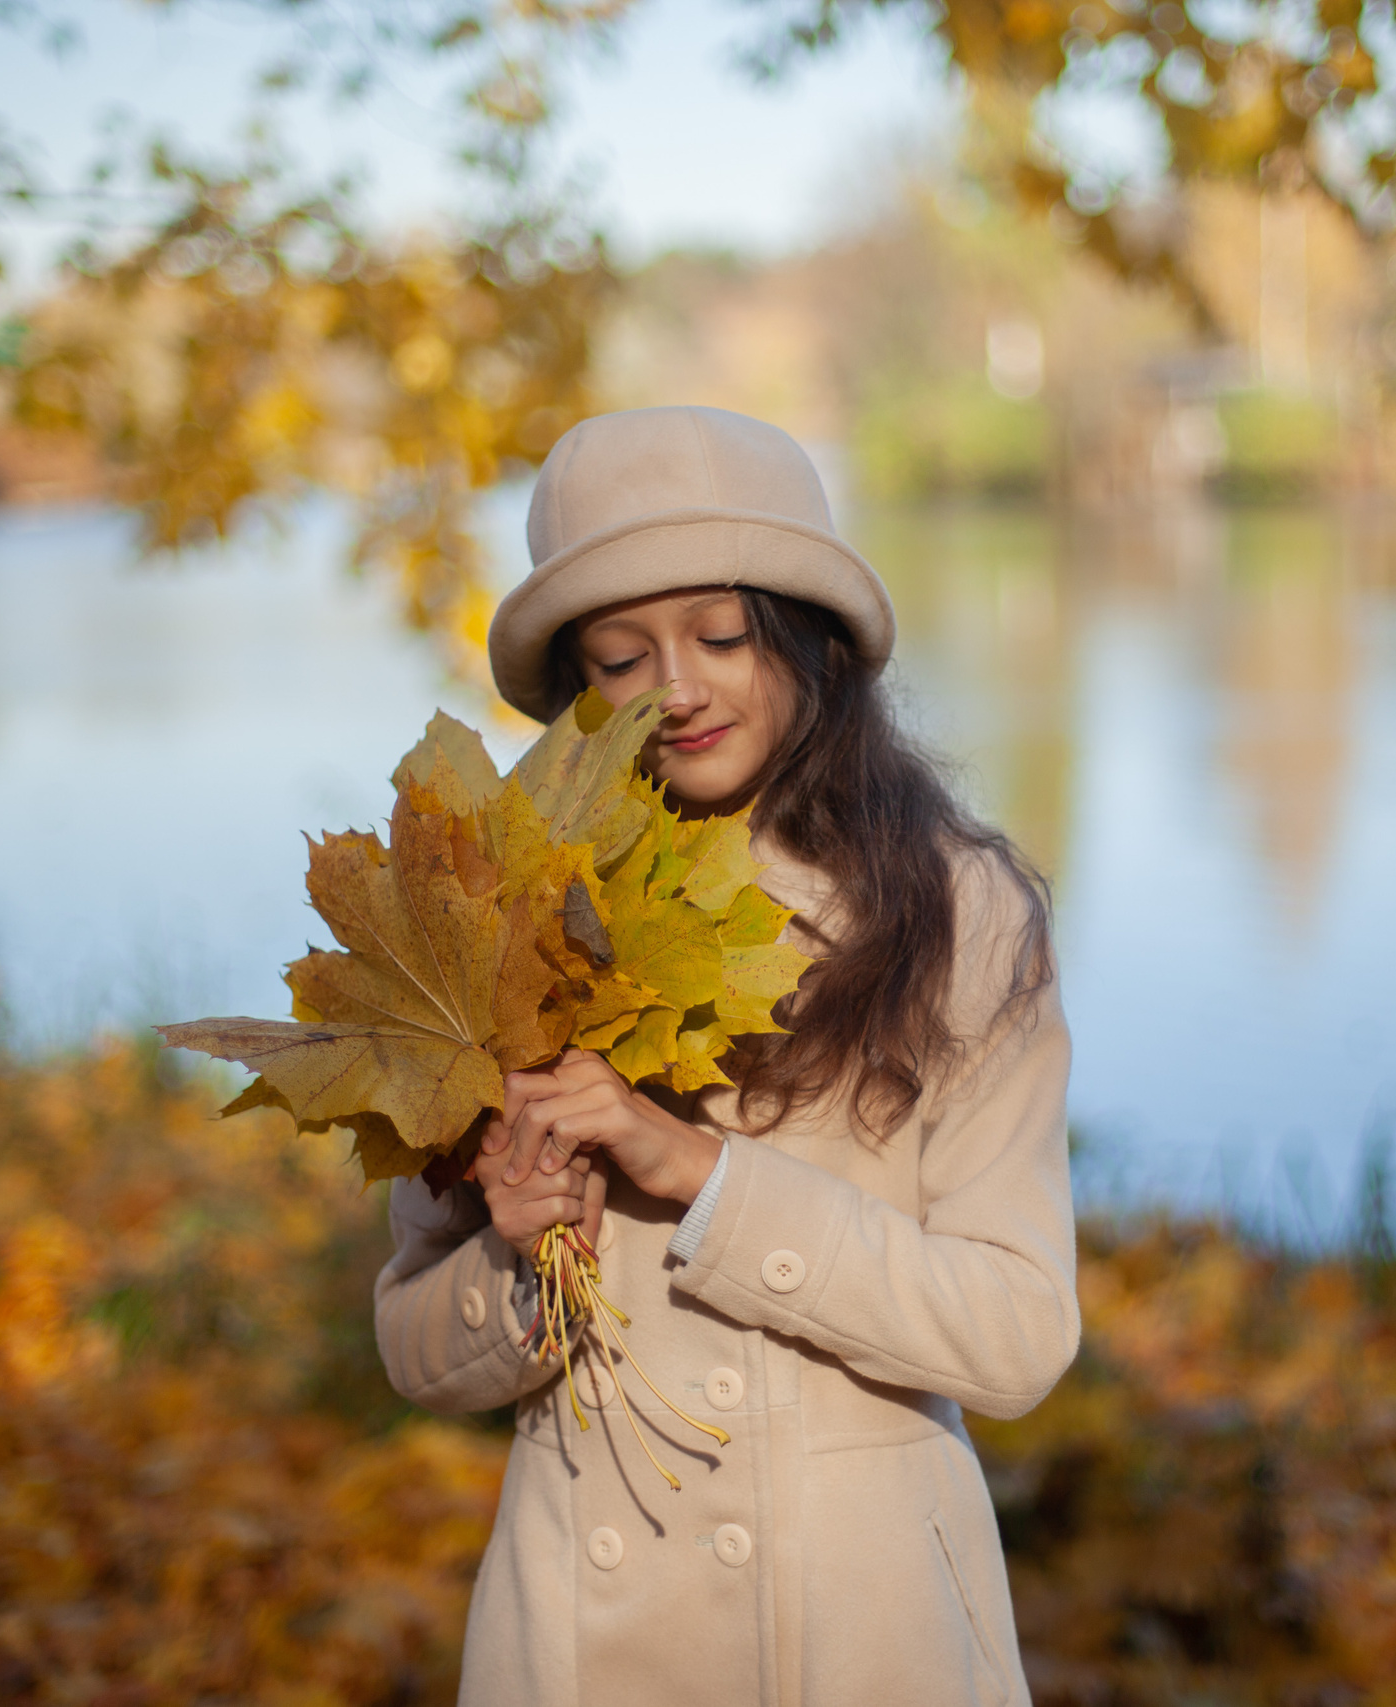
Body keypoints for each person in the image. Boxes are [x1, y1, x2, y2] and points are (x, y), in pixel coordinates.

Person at [374, 404, 1078, 1707]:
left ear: (810, 641)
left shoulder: (956, 907)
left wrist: (712, 1180)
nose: (679, 689)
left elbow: (1018, 1336)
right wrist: (522, 1258)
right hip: (586, 1643)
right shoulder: (487, 916)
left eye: (721, 635)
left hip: (871, 1637)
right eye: (622, 657)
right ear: (580, 689)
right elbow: (415, 1348)